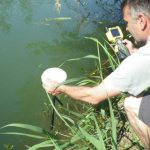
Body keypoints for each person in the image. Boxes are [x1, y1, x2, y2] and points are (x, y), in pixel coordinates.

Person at [43, 0, 150, 148]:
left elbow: (94, 96)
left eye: (127, 22)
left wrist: (62, 88)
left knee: (131, 103)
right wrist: (135, 52)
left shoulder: (137, 62)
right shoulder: (142, 57)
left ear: (141, 20)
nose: (126, 28)